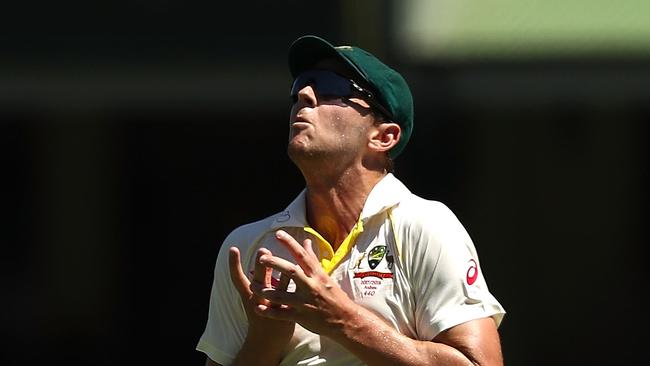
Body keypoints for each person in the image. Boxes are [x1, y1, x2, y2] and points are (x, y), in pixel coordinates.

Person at [197, 34, 506, 366]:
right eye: (301, 85)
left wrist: (342, 319)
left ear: (383, 135)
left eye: (331, 86)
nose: (303, 95)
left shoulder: (425, 226)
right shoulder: (249, 246)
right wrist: (264, 339)